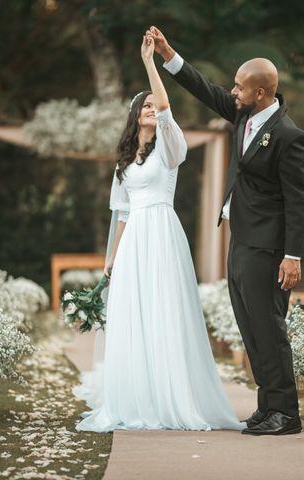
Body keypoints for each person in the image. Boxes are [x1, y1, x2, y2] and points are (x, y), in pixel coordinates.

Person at [148, 26, 304, 436]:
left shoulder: (290, 137)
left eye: (240, 87)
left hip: (269, 248)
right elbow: (205, 89)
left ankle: (287, 413)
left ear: (261, 93)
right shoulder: (243, 114)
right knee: (249, 325)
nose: (232, 92)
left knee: (269, 327)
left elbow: (300, 200)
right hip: (241, 238)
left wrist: (293, 256)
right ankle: (267, 405)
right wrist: (170, 55)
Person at [74, 34, 244, 432]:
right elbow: (121, 214)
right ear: (135, 116)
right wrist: (111, 259)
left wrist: (151, 62)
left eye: (153, 105)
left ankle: (172, 397)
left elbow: (166, 106)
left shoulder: (171, 147)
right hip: (134, 241)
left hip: (163, 233)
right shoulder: (125, 163)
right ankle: (136, 396)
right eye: (145, 107)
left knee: (164, 311)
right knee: (135, 315)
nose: (151, 109)